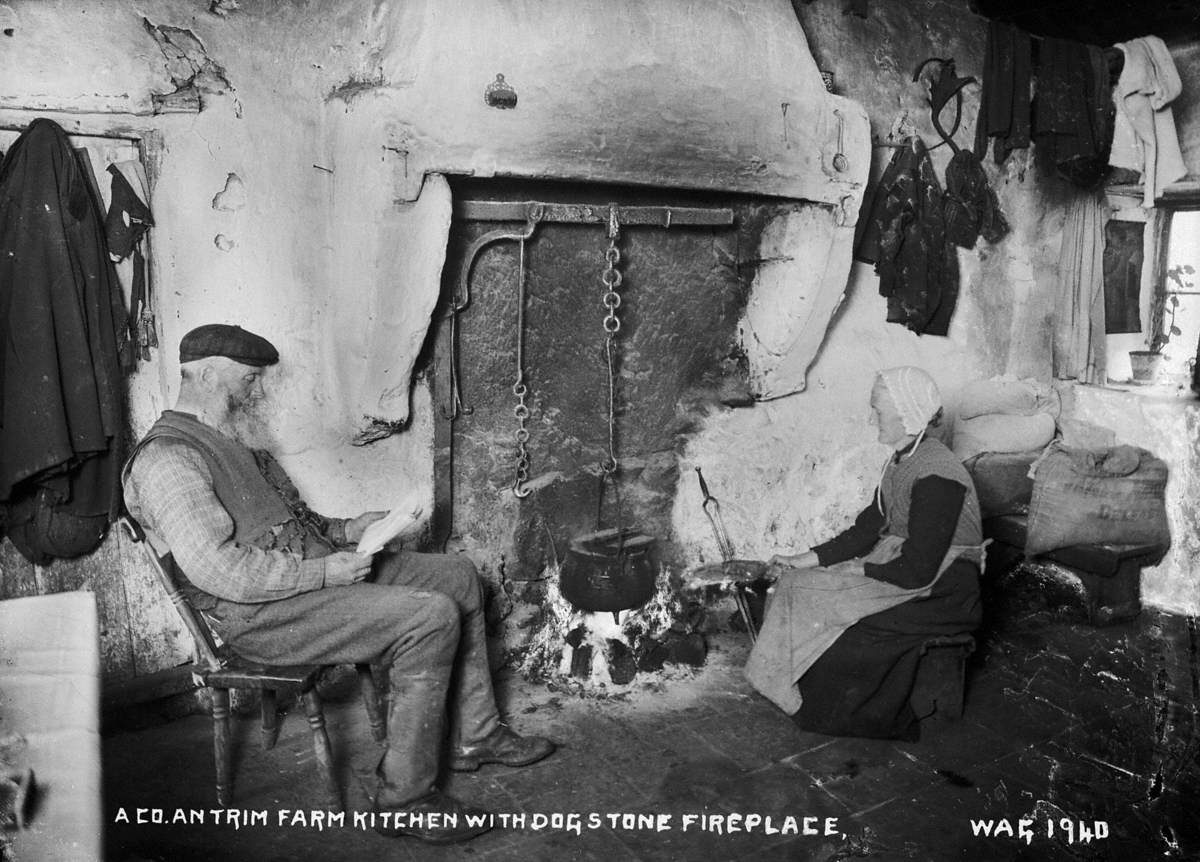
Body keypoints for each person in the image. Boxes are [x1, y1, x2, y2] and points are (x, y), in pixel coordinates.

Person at [122, 324, 555, 845]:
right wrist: (326, 571)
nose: (254, 391)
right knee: (429, 615)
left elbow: (296, 523)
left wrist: (351, 530)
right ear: (210, 375)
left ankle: (476, 737)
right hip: (262, 618)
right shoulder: (168, 459)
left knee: (458, 576)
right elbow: (221, 571)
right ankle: (405, 799)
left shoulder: (231, 443)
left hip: (309, 582)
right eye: (248, 379)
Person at [744, 366, 984, 740]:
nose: (871, 417)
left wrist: (861, 572)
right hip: (912, 570)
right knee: (795, 583)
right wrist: (800, 560)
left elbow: (920, 568)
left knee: (823, 602)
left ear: (907, 413)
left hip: (944, 589)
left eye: (878, 409)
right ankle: (786, 687)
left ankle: (823, 709)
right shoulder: (902, 459)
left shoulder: (938, 475)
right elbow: (865, 530)